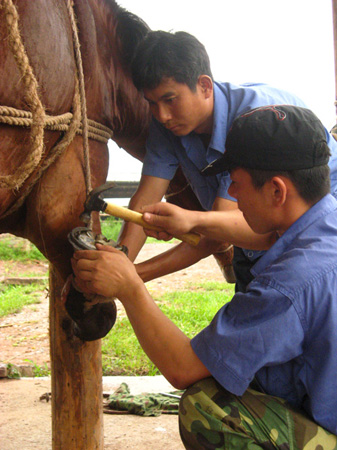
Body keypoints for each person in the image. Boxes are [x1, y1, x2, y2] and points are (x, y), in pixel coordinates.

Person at [72, 105, 337, 448]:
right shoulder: (323, 225)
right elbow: (269, 236)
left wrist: (130, 287)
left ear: (276, 191)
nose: (233, 196)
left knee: (206, 406)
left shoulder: (288, 285)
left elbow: (183, 368)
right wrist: (191, 219)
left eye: (237, 185)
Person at [116, 30, 337, 293]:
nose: (162, 115)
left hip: (319, 234)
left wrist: (128, 278)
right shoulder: (168, 127)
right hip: (258, 236)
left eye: (170, 100)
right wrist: (118, 261)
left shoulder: (256, 121)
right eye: (152, 103)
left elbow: (218, 231)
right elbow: (146, 201)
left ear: (205, 86)